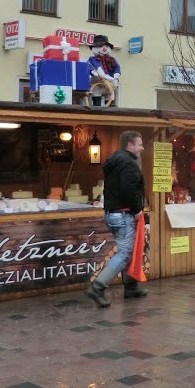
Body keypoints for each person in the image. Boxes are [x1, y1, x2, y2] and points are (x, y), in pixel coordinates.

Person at [85, 130, 147, 307]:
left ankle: (131, 286)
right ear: (130, 145)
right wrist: (136, 210)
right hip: (124, 214)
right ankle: (98, 287)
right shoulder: (129, 164)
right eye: (139, 144)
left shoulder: (115, 161)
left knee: (128, 249)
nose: (142, 148)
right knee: (125, 253)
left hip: (112, 213)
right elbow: (129, 190)